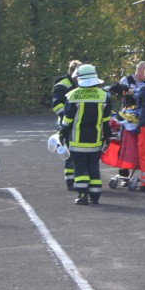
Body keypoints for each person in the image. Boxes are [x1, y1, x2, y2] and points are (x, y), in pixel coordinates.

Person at [59, 64, 112, 205]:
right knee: (94, 167)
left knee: (80, 167)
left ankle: (82, 195)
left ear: (80, 78)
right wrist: (108, 136)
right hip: (95, 141)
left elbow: (67, 119)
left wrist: (61, 133)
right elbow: (106, 121)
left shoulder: (73, 95)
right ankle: (95, 196)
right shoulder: (104, 96)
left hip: (77, 141)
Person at [52, 60, 81, 190]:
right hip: (67, 124)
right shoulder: (62, 85)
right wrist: (68, 117)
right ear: (71, 72)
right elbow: (56, 105)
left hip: (79, 123)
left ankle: (79, 178)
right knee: (70, 153)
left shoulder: (78, 83)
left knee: (79, 152)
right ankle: (70, 181)